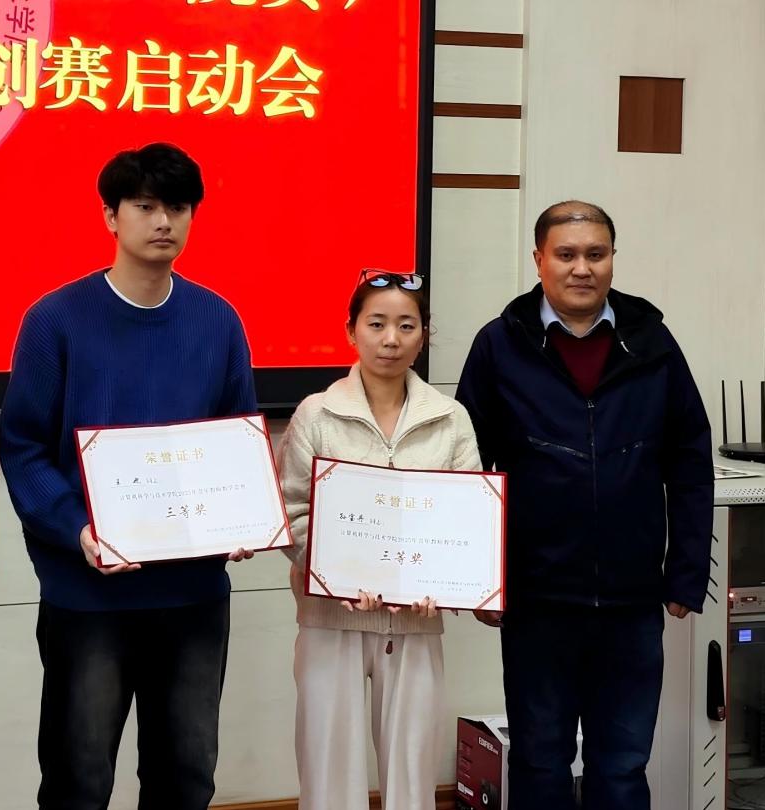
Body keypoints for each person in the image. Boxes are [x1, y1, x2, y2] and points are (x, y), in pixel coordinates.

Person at [0, 142, 256, 810]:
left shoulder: (218, 320)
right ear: (111, 216)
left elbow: (238, 439)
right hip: (89, 594)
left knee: (185, 778)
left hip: (193, 594)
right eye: (144, 206)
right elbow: (22, 448)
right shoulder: (55, 320)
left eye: (178, 207)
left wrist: (244, 515)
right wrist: (77, 530)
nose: (163, 221)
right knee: (78, 780)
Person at [455, 200, 714, 810]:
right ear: (538, 259)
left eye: (596, 254)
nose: (582, 268)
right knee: (539, 759)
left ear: (612, 259)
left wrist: (686, 570)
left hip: (631, 601)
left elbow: (690, 460)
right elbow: (465, 467)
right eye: (566, 254)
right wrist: (479, 580)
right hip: (536, 599)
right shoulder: (500, 344)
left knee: (622, 766)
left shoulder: (651, 341)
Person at [279, 269, 481, 810]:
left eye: (406, 325)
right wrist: (336, 575)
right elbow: (293, 512)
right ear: (351, 330)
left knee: (412, 779)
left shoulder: (451, 419)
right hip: (330, 619)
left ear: (424, 335)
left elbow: (467, 522)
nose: (391, 339)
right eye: (376, 324)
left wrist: (446, 583)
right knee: (329, 776)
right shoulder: (317, 414)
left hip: (416, 622)